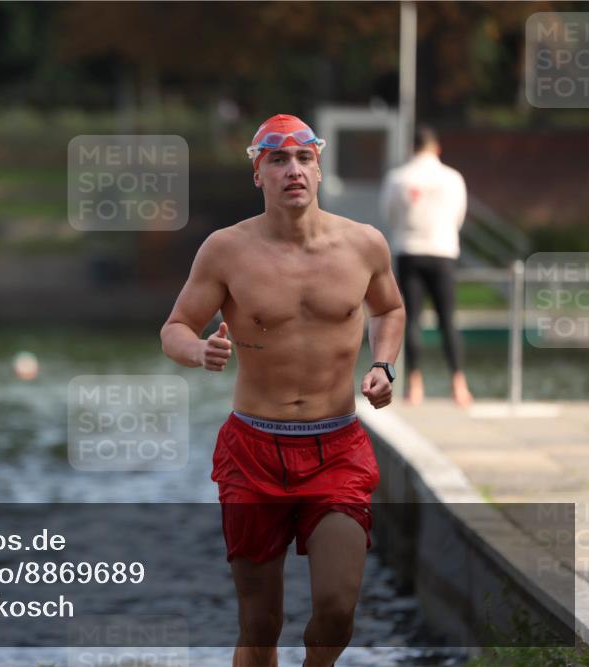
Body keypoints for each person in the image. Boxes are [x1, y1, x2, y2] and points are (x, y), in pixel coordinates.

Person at [160, 115, 405, 667]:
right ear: (259, 174)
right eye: (278, 159)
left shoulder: (364, 244)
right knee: (260, 623)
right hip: (253, 449)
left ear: (319, 169)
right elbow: (174, 327)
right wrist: (198, 350)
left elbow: (389, 307)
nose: (293, 169)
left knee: (339, 608)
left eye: (304, 158)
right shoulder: (225, 250)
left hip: (336, 447)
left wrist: (384, 366)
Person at [380, 125, 473, 408]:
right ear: (437, 149)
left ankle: (415, 386)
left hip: (410, 252)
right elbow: (459, 216)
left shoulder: (398, 178)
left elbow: (389, 214)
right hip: (443, 251)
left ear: (411, 149)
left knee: (412, 321)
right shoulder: (453, 178)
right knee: (448, 320)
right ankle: (458, 384)